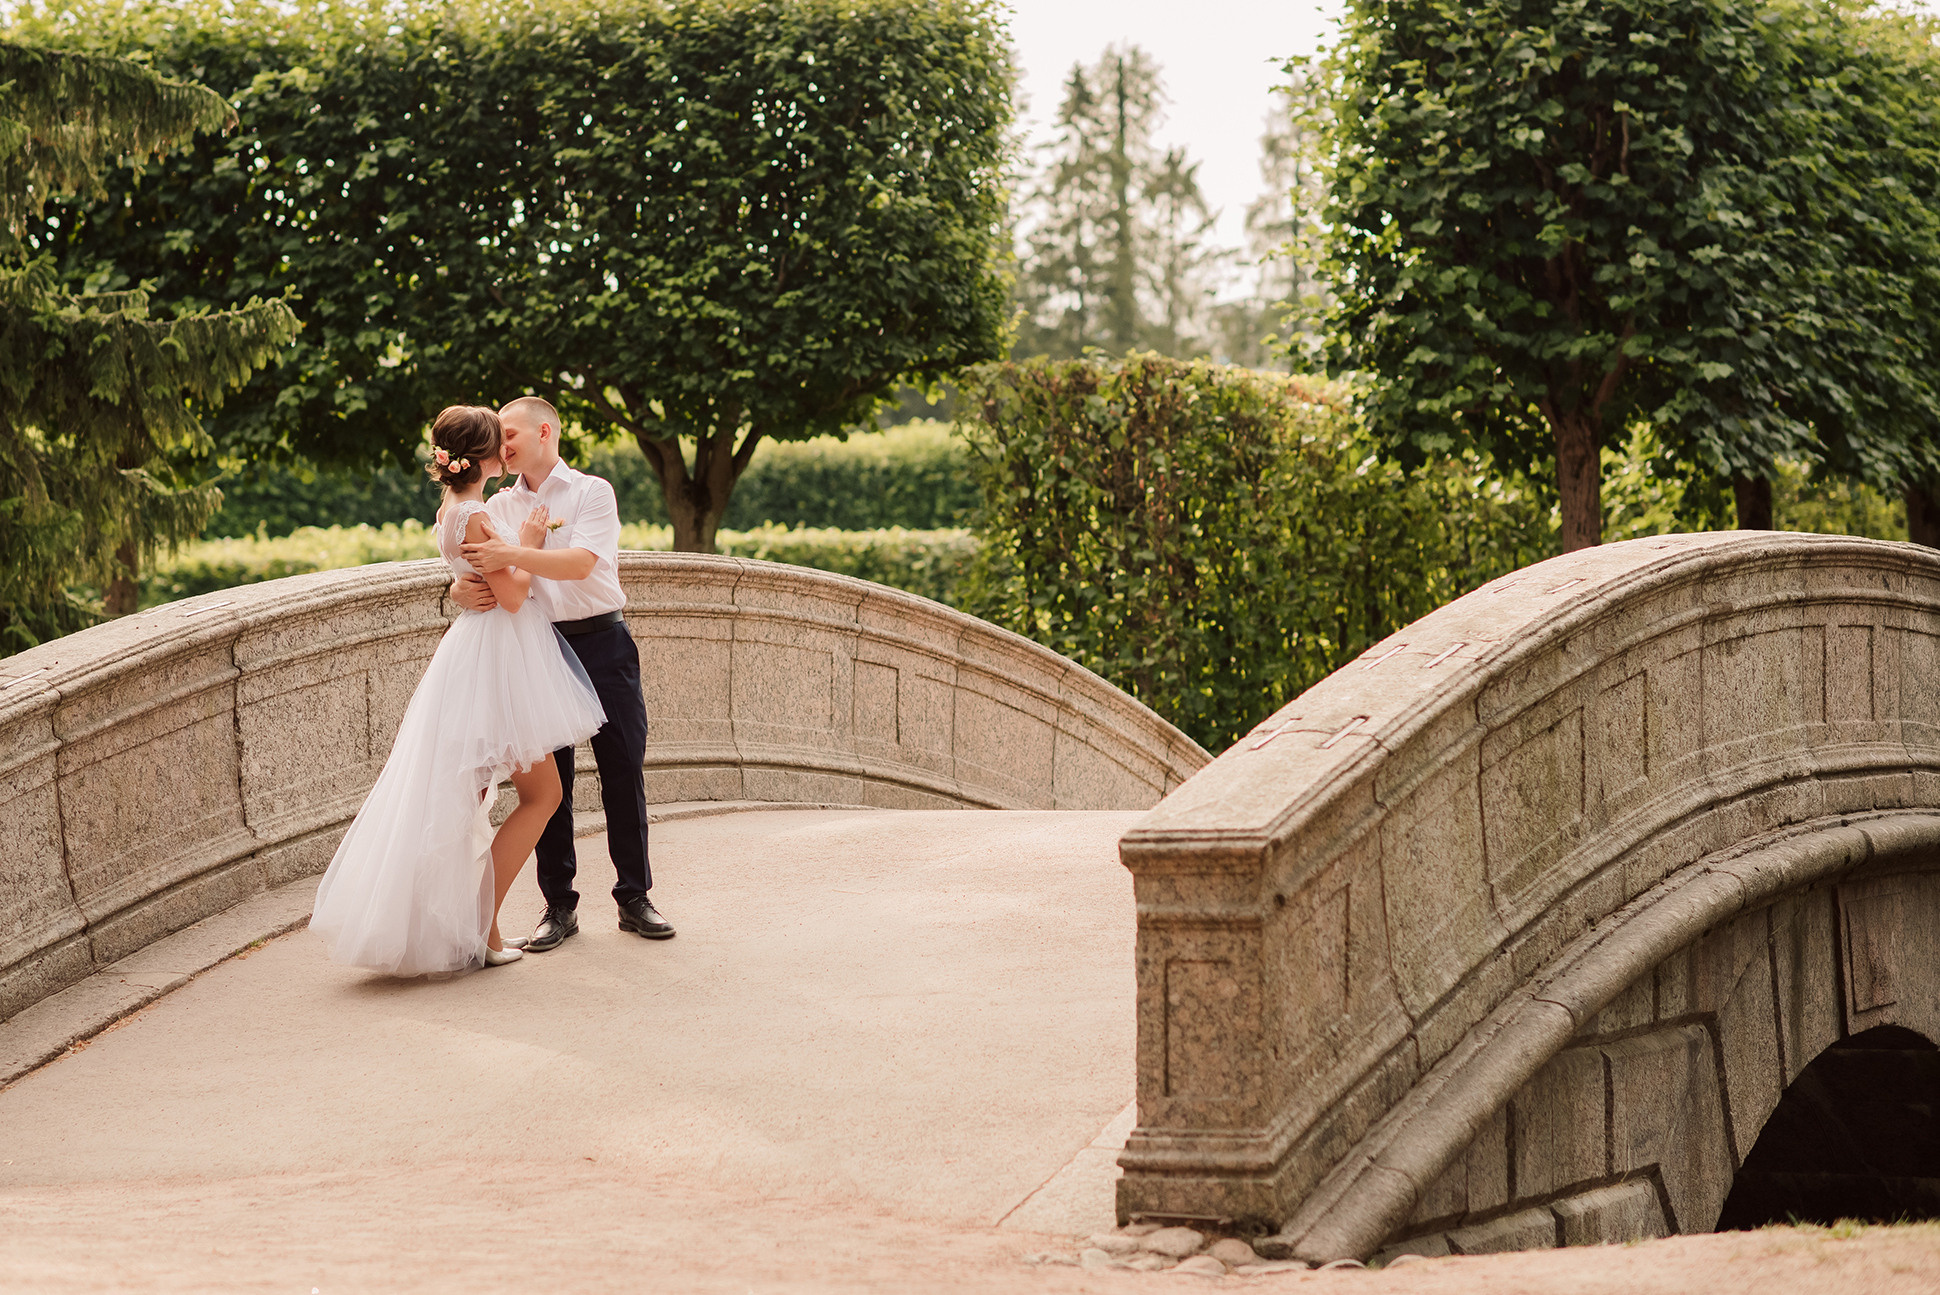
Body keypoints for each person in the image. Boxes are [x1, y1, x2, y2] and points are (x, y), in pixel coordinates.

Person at [311, 406, 606, 975]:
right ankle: (478, 924)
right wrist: (530, 539)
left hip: (479, 653)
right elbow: (514, 596)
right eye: (502, 441)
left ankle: (468, 930)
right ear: (488, 456)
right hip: (500, 658)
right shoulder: (476, 514)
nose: (508, 449)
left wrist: (483, 571)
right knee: (541, 795)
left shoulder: (452, 510)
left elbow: (475, 579)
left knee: (465, 800)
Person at [453, 395, 674, 950]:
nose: (500, 444)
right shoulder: (498, 505)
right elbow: (474, 562)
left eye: (509, 433)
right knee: (553, 786)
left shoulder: (591, 492)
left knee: (623, 768)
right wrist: (458, 587)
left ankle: (634, 897)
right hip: (540, 650)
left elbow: (580, 564)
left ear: (544, 431)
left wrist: (517, 555)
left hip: (603, 640)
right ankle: (558, 907)